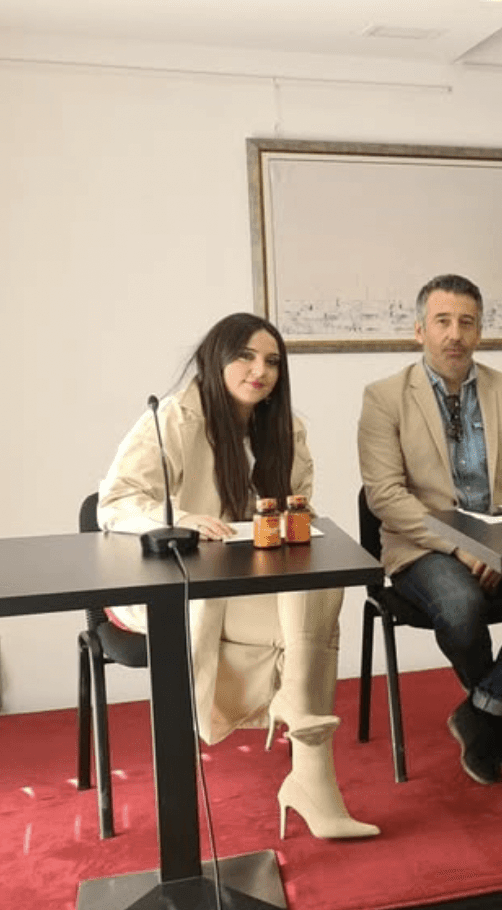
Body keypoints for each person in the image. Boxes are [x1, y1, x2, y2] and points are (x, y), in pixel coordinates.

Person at [97, 312, 378, 839]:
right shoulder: (173, 419)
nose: (260, 370)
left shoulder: (285, 427)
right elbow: (114, 503)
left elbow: (299, 506)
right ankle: (310, 771)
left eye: (272, 361)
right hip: (175, 586)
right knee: (310, 629)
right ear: (216, 358)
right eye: (246, 356)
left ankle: (302, 734)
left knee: (317, 582)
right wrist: (179, 518)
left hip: (250, 582)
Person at [358, 273, 502, 786]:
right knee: (462, 606)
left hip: (501, 540)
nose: (454, 333)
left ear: (480, 331)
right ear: (419, 330)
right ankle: (494, 714)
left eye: (466, 322)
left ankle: (484, 707)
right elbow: (386, 498)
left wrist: (499, 542)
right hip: (422, 547)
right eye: (443, 321)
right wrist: (463, 548)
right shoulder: (385, 397)